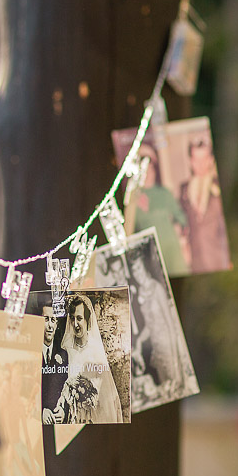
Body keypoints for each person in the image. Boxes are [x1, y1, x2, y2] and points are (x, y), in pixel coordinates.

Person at [56, 294, 124, 423]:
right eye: (72, 318)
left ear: (87, 319)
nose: (75, 324)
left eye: (79, 318)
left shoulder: (95, 352)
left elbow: (105, 398)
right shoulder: (66, 351)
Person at [128, 142, 191, 276]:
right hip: (150, 260)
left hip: (172, 253)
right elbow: (129, 233)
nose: (147, 170)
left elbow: (182, 219)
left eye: (150, 164)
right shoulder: (131, 198)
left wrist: (181, 233)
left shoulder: (164, 193)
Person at [129, 250, 182, 398]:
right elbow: (149, 325)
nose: (137, 273)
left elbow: (170, 323)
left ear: (145, 267)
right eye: (134, 270)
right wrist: (139, 340)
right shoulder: (141, 293)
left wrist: (175, 359)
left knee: (175, 386)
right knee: (165, 390)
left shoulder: (157, 288)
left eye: (139, 268)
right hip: (157, 350)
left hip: (168, 347)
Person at [178, 135, 230, 274]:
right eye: (196, 159)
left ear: (211, 160)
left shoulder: (220, 185)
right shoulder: (184, 189)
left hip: (219, 259)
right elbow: (182, 221)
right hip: (195, 263)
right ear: (190, 161)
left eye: (204, 159)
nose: (200, 164)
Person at [40, 308, 68, 424]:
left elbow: (66, 386)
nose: (50, 326)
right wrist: (40, 411)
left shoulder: (63, 354)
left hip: (58, 422)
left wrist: (63, 410)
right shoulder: (31, 352)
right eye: (46, 319)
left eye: (53, 320)